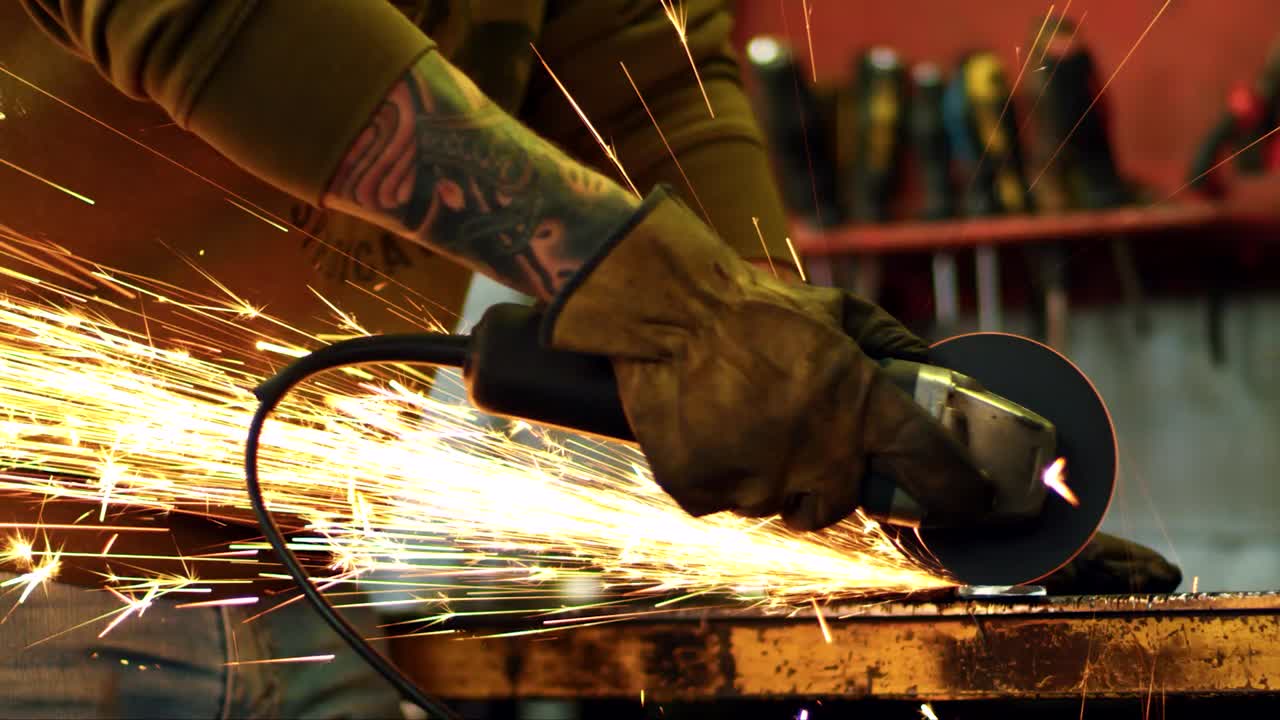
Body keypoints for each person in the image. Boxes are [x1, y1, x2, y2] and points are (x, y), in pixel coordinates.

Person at [2, 1, 1179, 717]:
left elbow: (643, 64)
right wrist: (671, 306)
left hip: (304, 595)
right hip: (35, 613)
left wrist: (824, 389)